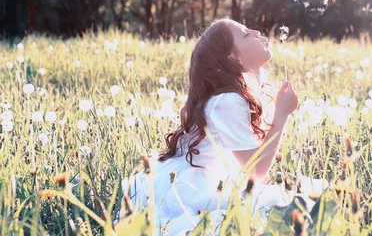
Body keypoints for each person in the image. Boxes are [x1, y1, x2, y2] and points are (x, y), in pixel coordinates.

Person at [116, 18, 327, 235]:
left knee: (284, 201)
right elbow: (255, 169)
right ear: (232, 58)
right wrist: (281, 115)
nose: (256, 31)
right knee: (273, 209)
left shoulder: (235, 95)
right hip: (196, 189)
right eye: (245, 34)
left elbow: (248, 164)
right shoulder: (227, 102)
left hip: (207, 177)